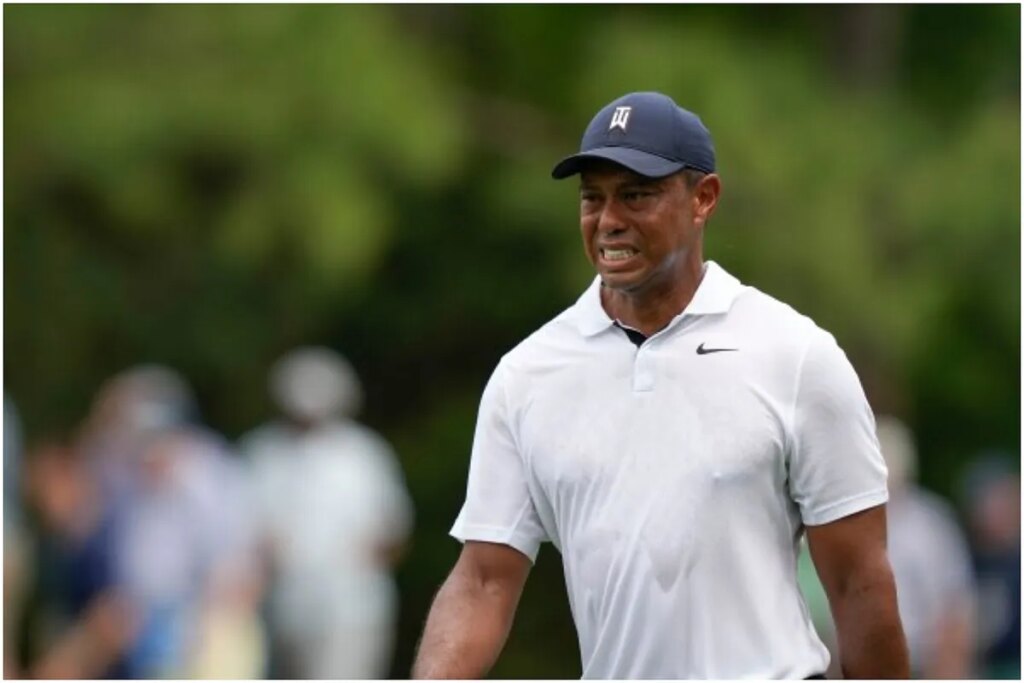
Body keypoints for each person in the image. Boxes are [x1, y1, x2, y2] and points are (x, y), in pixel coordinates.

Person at [413, 91, 909, 679]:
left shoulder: (795, 355)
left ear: (704, 199)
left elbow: (859, 580)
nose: (608, 220)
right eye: (592, 198)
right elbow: (482, 580)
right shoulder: (527, 375)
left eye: (636, 195)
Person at [241, 346, 414, 679]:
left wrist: (359, 562)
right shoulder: (262, 453)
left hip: (352, 607)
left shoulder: (363, 453)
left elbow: (394, 530)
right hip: (282, 607)